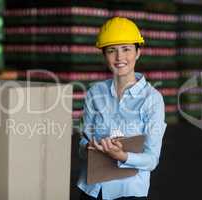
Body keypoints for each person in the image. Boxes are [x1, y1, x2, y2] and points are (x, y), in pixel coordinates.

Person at [77, 17, 167, 200]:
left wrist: (122, 156)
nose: (119, 58)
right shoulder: (95, 93)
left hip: (128, 193)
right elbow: (82, 143)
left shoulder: (152, 99)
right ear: (104, 55)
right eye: (112, 51)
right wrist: (89, 147)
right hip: (91, 190)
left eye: (126, 49)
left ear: (138, 52)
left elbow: (151, 159)